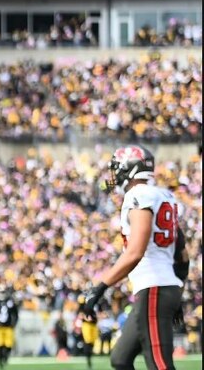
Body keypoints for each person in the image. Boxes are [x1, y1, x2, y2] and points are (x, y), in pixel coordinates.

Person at [81, 145, 187, 370]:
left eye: (118, 169)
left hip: (154, 288)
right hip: (162, 287)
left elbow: (136, 251)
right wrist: (177, 292)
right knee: (120, 358)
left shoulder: (138, 195)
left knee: (160, 365)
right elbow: (182, 256)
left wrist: (99, 288)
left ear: (129, 169)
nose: (114, 175)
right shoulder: (163, 195)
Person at [0, 285, 18, 369]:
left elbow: (15, 314)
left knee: (9, 345)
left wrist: (14, 323)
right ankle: (0, 360)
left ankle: (5, 357)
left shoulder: (10, 302)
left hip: (8, 326)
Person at [76, 294, 99, 369]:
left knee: (92, 341)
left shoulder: (90, 306)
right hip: (87, 325)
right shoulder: (81, 308)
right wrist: (88, 318)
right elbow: (82, 316)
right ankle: (87, 355)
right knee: (88, 341)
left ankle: (89, 354)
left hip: (92, 325)